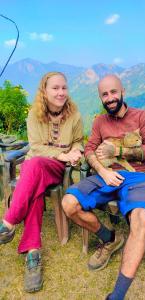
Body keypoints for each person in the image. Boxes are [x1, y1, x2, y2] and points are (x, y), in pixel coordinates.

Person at [62, 74, 145, 300]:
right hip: (105, 175)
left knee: (142, 217)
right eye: (104, 94)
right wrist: (103, 170)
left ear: (123, 90)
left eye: (113, 92)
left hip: (137, 177)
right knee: (68, 203)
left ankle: (117, 295)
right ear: (100, 97)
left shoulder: (142, 116)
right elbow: (89, 150)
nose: (110, 98)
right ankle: (110, 238)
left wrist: (119, 152)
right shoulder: (99, 122)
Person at [0, 72, 83, 293]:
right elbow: (35, 147)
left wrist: (75, 152)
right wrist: (62, 153)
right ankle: (33, 253)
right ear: (44, 91)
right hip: (34, 167)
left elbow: (78, 141)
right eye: (55, 88)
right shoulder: (34, 115)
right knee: (34, 179)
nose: (61, 92)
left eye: (64, 87)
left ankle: (9, 221)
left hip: (55, 169)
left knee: (35, 166)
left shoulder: (74, 114)